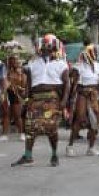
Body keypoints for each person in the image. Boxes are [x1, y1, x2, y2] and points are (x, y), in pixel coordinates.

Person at [12, 33, 70, 167]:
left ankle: (54, 154)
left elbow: (67, 84)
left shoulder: (61, 64)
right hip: (35, 99)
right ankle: (28, 156)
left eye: (49, 46)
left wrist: (64, 101)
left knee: (51, 128)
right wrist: (25, 98)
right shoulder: (33, 63)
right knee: (30, 127)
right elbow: (28, 85)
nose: (46, 49)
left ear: (54, 47)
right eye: (44, 46)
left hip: (52, 99)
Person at [67, 43, 99, 155]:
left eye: (97, 52)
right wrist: (74, 76)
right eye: (94, 52)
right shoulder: (78, 66)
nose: (96, 54)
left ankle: (91, 148)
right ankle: (70, 145)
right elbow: (73, 82)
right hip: (82, 94)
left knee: (95, 122)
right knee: (80, 118)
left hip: (94, 95)